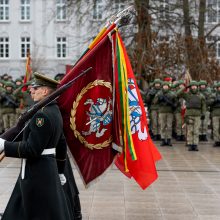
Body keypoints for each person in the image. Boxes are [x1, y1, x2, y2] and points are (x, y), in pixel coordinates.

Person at [0, 72, 74, 220]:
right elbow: (61, 144)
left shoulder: (42, 115)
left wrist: (4, 145)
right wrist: (59, 171)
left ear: (45, 91)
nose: (31, 90)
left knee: (37, 210)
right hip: (46, 169)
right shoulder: (54, 111)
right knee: (21, 208)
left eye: (35, 87)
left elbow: (32, 149)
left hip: (37, 171)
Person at [177, 80, 206, 151]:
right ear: (190, 87)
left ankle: (195, 144)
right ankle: (190, 144)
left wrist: (203, 114)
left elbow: (203, 106)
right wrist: (185, 87)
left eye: (195, 86)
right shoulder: (187, 95)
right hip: (189, 115)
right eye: (192, 86)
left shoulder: (201, 95)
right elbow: (178, 94)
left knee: (196, 131)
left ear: (197, 86)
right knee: (190, 130)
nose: (193, 87)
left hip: (197, 115)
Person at [154, 81, 176, 146]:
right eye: (164, 86)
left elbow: (176, 102)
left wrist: (172, 104)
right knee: (162, 126)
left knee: (169, 126)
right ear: (162, 87)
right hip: (162, 111)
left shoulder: (172, 94)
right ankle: (163, 139)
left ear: (168, 87)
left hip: (170, 112)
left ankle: (169, 139)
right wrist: (159, 99)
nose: (165, 87)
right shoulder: (159, 93)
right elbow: (154, 102)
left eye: (166, 86)